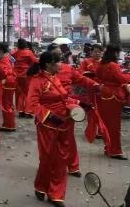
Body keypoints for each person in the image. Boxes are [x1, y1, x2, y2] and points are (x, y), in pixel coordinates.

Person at [26, 51, 89, 207]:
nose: (61, 64)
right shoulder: (37, 81)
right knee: (48, 158)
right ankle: (41, 186)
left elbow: (63, 98)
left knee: (61, 159)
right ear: (49, 64)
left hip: (65, 123)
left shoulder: (55, 77)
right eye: (58, 62)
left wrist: (79, 103)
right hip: (47, 125)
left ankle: (56, 194)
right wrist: (49, 116)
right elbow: (31, 105)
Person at [47, 44, 99, 176]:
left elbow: (81, 79)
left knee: (68, 138)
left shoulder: (68, 68)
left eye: (60, 54)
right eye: (56, 54)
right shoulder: (42, 72)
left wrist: (96, 85)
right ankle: (49, 166)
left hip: (68, 109)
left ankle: (73, 166)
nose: (59, 56)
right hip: (49, 111)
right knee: (50, 141)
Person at [96, 45, 130, 160]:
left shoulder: (101, 64)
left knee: (107, 124)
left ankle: (108, 148)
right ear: (115, 53)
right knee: (114, 126)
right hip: (114, 96)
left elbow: (98, 76)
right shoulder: (113, 65)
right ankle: (115, 151)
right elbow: (122, 79)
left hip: (104, 95)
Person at [0, 42, 17, 131]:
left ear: (0, 51)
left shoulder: (5, 59)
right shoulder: (8, 57)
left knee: (6, 104)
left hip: (7, 83)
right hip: (10, 82)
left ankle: (9, 125)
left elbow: (5, 71)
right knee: (8, 104)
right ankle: (9, 123)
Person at [12, 38, 37, 117]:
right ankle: (28, 111)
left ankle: (20, 111)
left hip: (16, 75)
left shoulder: (14, 53)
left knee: (19, 93)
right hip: (26, 75)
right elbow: (34, 62)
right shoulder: (29, 52)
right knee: (28, 93)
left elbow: (11, 62)